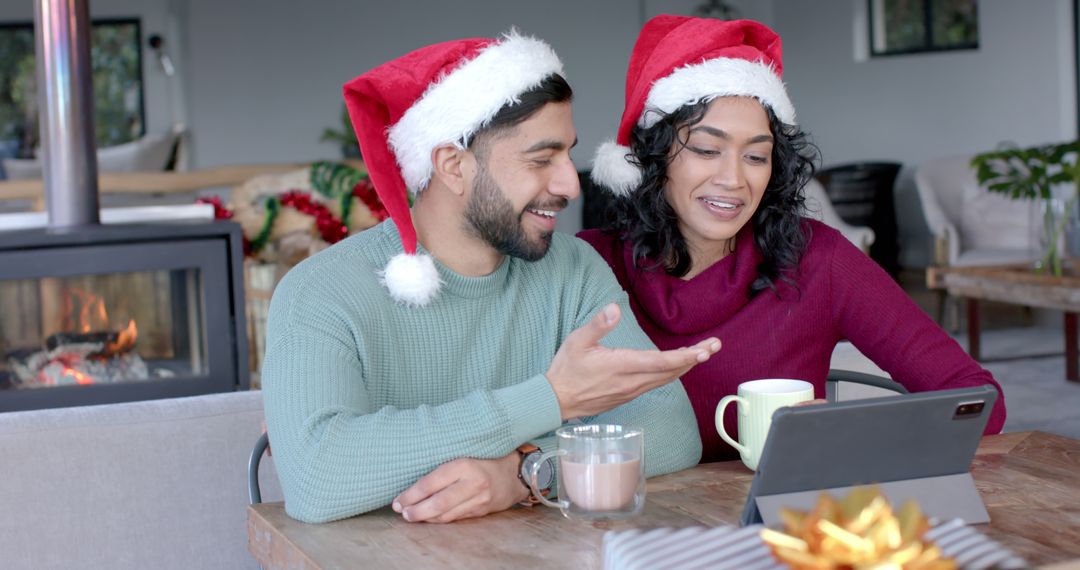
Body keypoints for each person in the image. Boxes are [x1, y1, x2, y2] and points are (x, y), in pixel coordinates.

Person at [261, 30, 720, 524]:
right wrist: (551, 399)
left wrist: (526, 473)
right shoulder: (321, 291)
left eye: (568, 154)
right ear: (453, 167)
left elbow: (668, 427)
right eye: (541, 159)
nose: (569, 183)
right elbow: (316, 477)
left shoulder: (573, 268)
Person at [579, 15, 1006, 464]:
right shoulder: (585, 265)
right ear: (650, 157)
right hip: (628, 521)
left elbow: (977, 400)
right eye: (706, 149)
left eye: (756, 155)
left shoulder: (819, 259)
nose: (733, 178)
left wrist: (848, 432)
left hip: (785, 524)